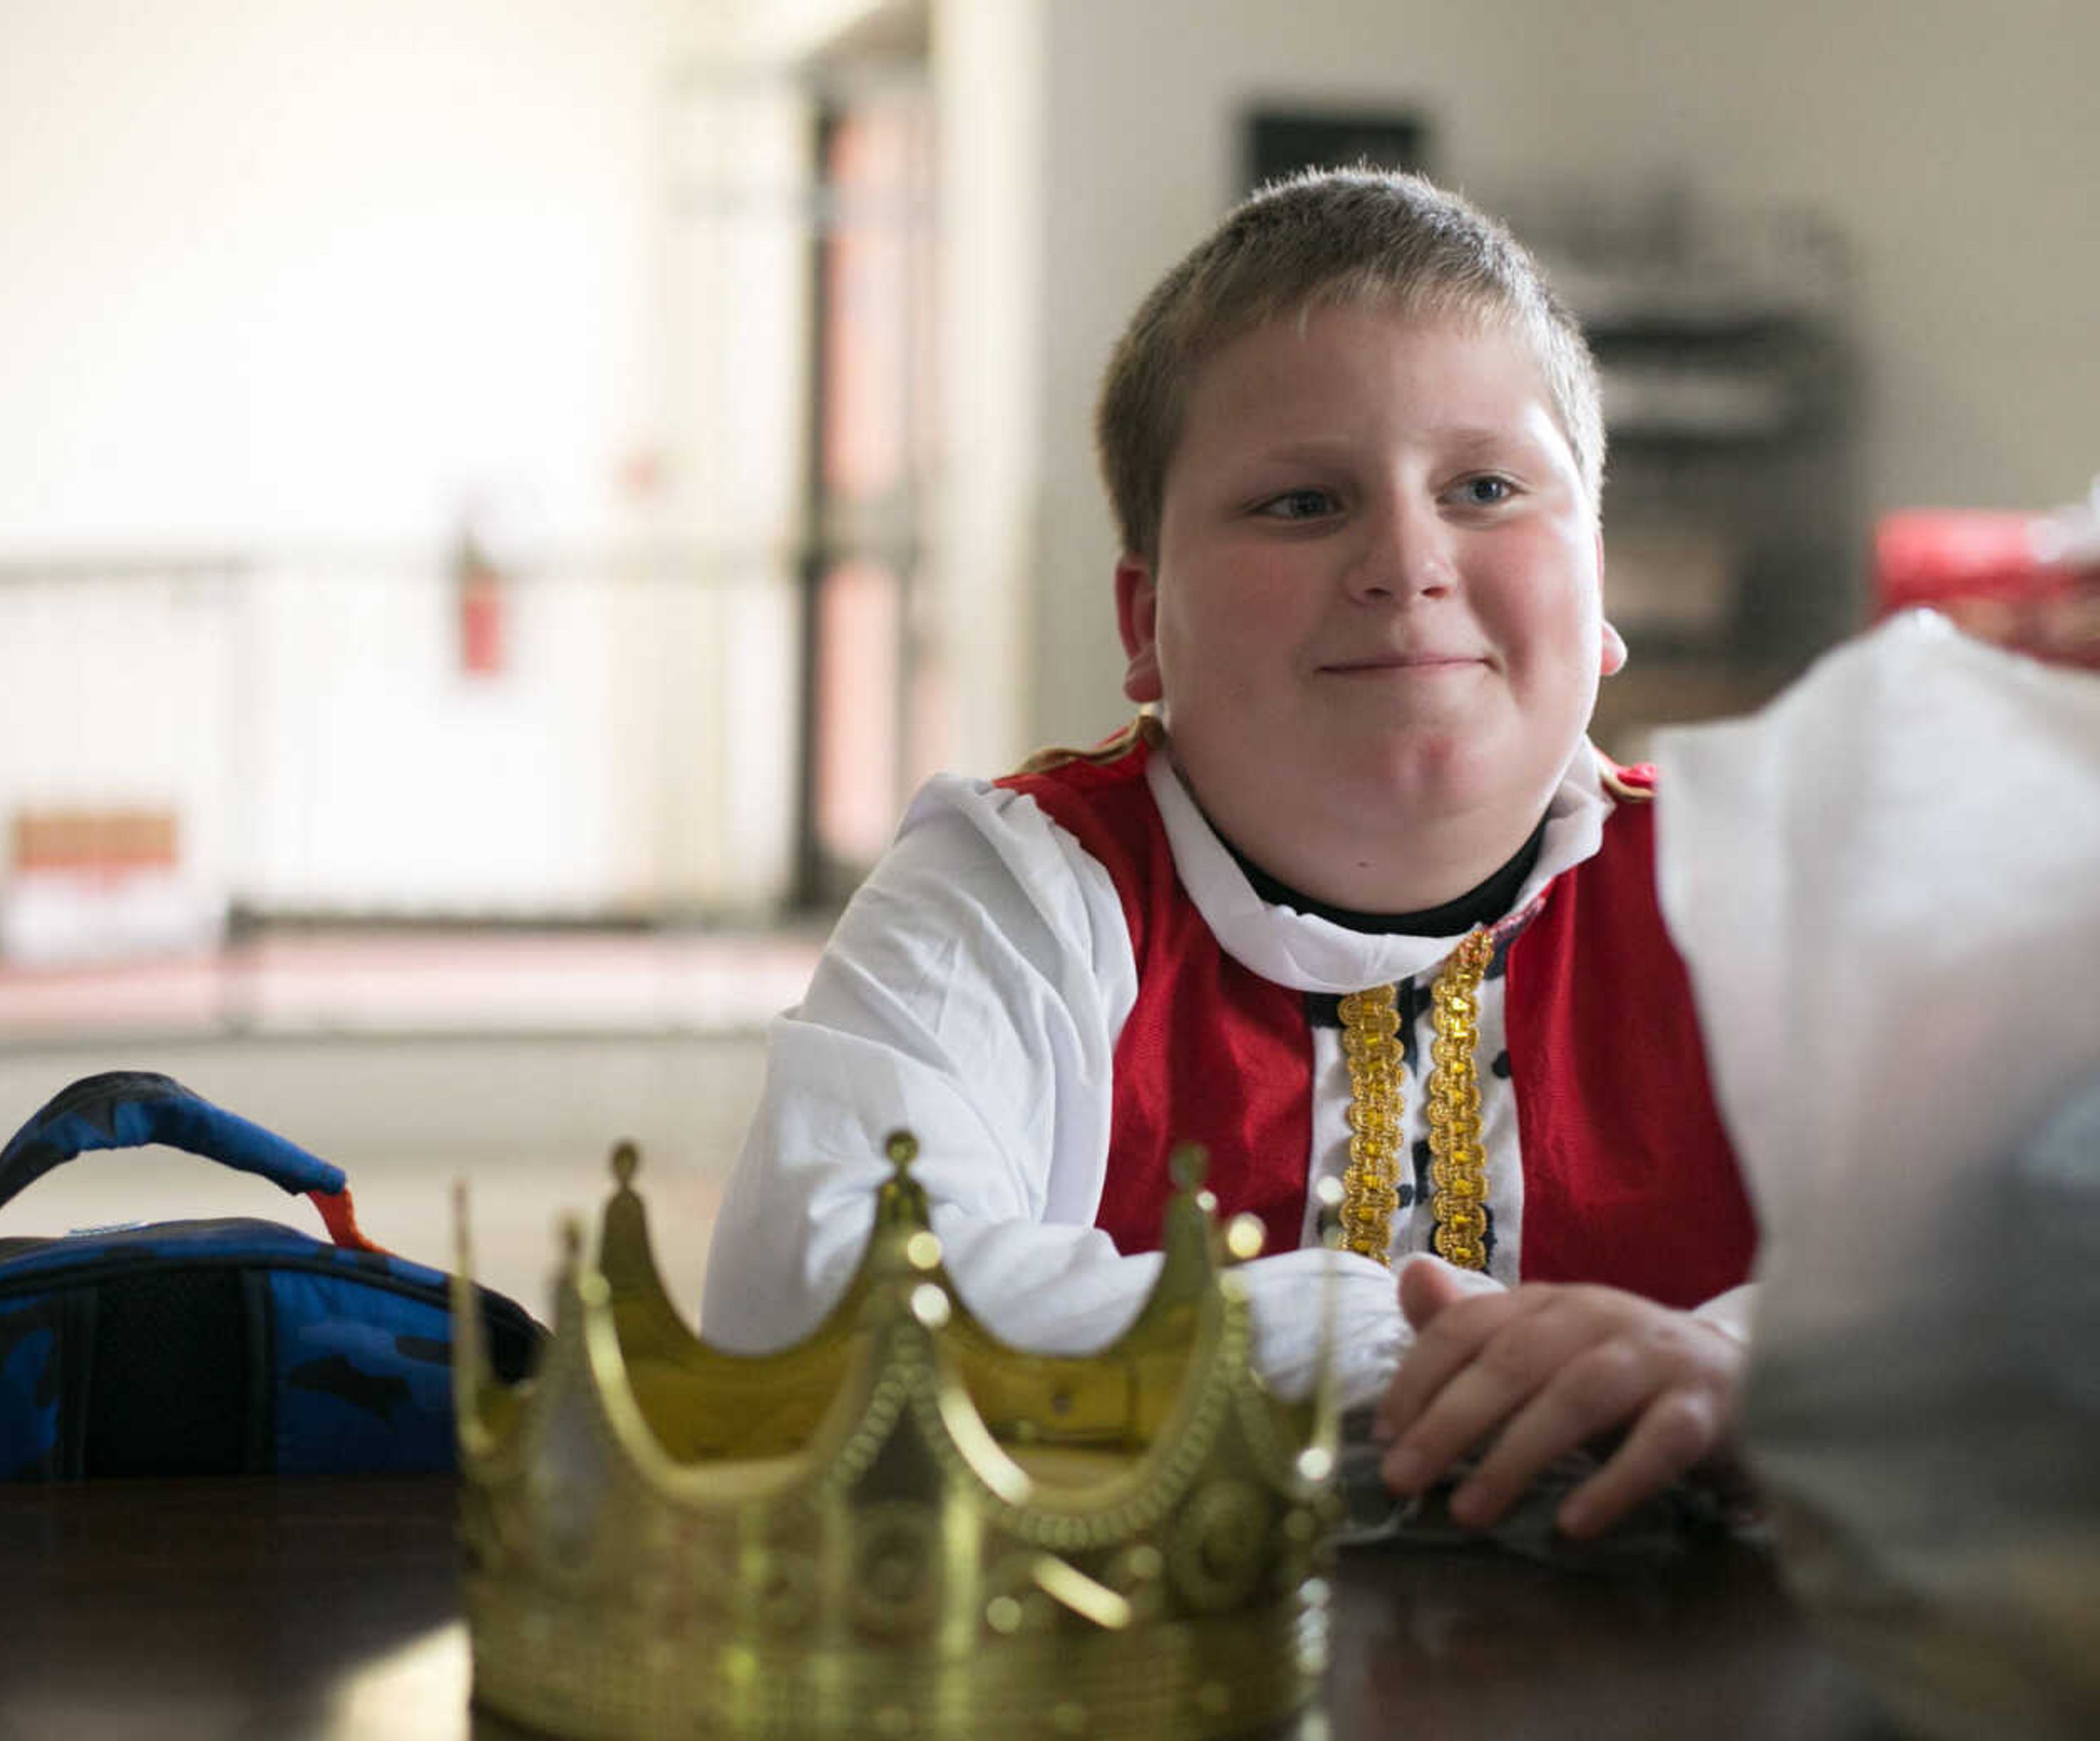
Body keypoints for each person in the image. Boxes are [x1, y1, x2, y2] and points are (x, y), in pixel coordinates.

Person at [701, 168, 1755, 1542]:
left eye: (1486, 487)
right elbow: (815, 1303)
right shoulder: (1021, 884)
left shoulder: (1756, 893)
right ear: (1146, 622)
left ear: (1602, 589)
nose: (1406, 559)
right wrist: (1385, 1341)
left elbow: (2022, 1272)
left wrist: (1758, 1369)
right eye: (1302, 504)